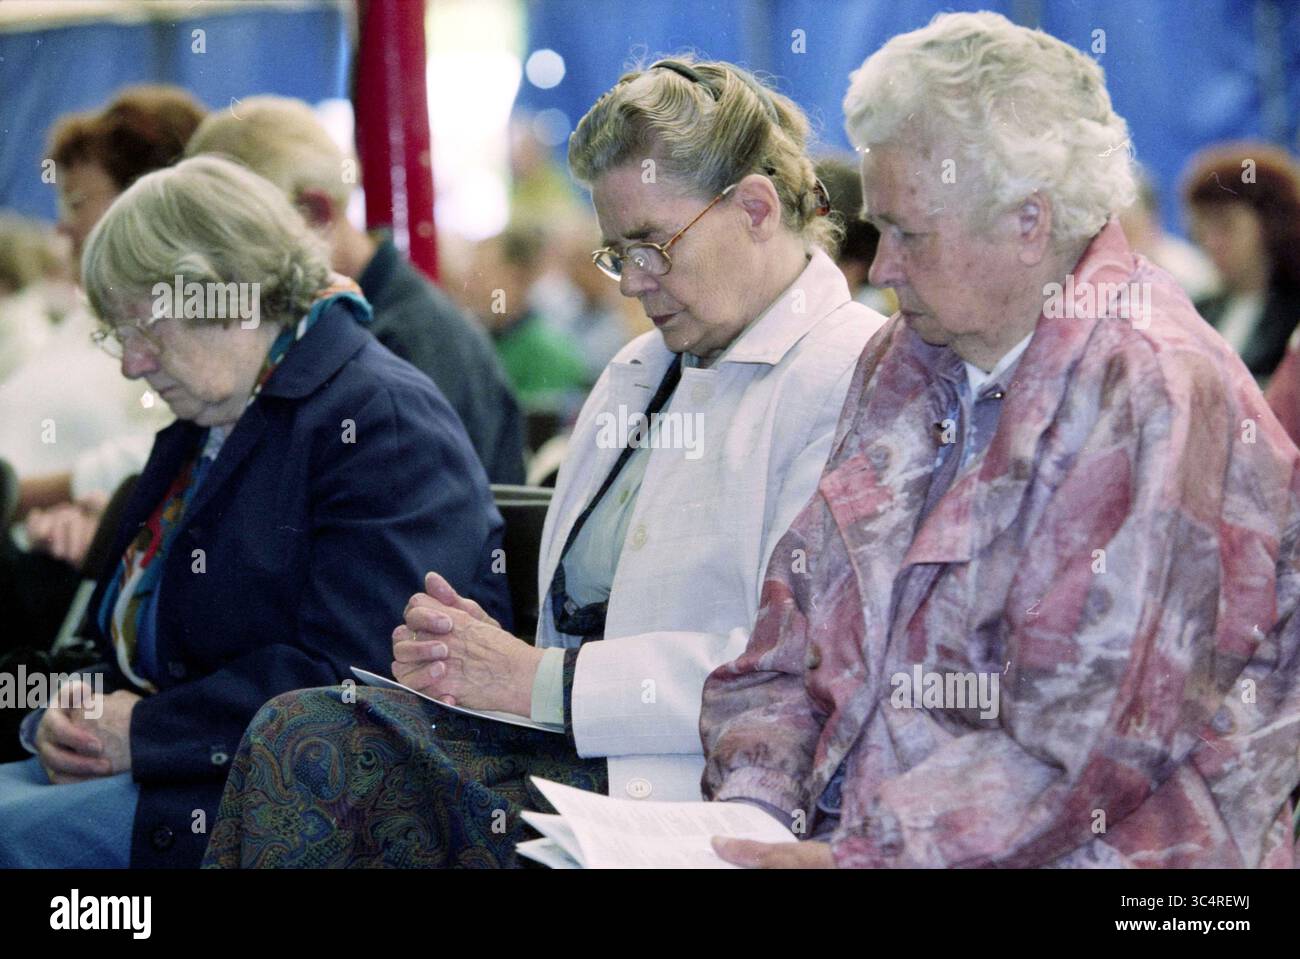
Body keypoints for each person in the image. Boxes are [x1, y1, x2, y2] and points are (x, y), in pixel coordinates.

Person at [202, 56, 886, 868]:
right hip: (584, 757)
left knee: (313, 747)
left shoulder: (853, 376)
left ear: (756, 208)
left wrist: (540, 679)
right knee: (304, 726)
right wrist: (478, 655)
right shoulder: (640, 368)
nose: (634, 281)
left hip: (708, 793)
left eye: (652, 246)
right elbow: (582, 628)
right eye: (616, 253)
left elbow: (800, 670)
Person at [701, 11, 1300, 869]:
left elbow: (1084, 747)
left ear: (1030, 222)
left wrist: (858, 859)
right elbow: (784, 642)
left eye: (908, 232)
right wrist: (757, 809)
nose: (884, 268)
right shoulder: (902, 360)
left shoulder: (1153, 389)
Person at [0, 155, 510, 868]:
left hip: (277, 806)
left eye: (143, 328)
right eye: (116, 334)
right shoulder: (218, 416)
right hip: (191, 771)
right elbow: (134, 629)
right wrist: (71, 711)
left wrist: (146, 728)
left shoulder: (377, 416)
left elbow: (359, 677)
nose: (131, 363)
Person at [185, 95, 526, 484]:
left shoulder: (413, 345)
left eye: (238, 242)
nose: (222, 272)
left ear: (315, 213)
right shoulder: (343, 328)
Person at [1182, 142, 1300, 381]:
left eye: (1226, 225)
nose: (1210, 242)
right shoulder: (1196, 310)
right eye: (1202, 229)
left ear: (1272, 224)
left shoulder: (1294, 316)